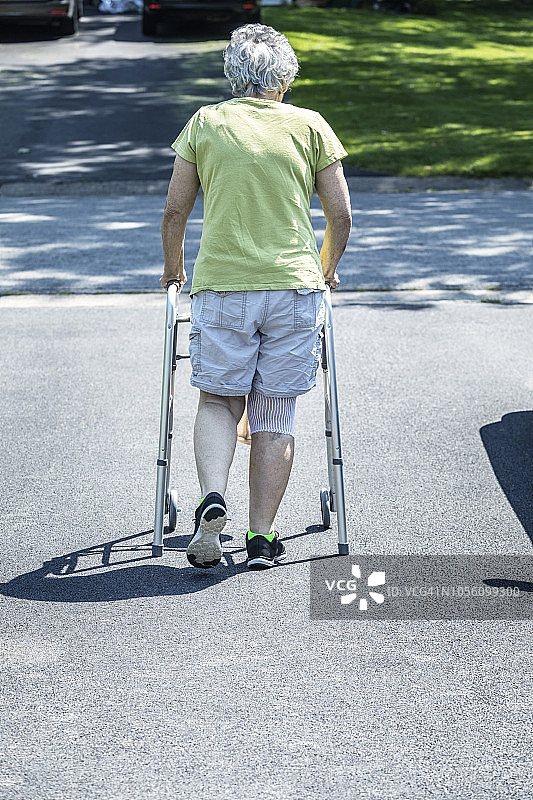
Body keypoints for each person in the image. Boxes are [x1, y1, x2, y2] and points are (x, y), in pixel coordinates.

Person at [160, 23, 352, 570]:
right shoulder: (310, 127)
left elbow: (176, 210)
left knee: (219, 400)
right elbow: (339, 215)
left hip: (224, 285)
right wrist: (327, 268)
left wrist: (173, 269)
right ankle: (262, 536)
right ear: (285, 76)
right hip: (293, 286)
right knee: (275, 410)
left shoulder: (207, 123)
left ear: (233, 73)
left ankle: (212, 498)